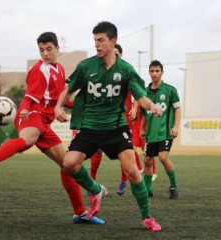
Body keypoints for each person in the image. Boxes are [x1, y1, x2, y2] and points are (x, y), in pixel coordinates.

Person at [0, 32, 104, 224]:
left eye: (49, 49)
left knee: (68, 165)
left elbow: (59, 99)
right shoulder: (38, 70)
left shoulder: (59, 69)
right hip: (33, 115)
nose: (45, 53)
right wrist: (25, 110)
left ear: (57, 49)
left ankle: (80, 213)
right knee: (29, 139)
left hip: (45, 122)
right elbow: (28, 97)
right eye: (41, 50)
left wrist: (83, 107)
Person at [55, 21, 162, 231]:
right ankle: (96, 190)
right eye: (95, 40)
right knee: (68, 164)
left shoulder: (126, 69)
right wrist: (59, 106)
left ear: (113, 42)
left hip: (116, 127)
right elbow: (68, 88)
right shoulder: (86, 66)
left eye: (101, 40)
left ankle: (147, 217)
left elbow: (141, 97)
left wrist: (152, 106)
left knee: (132, 170)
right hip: (89, 126)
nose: (97, 44)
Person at [88, 43, 144, 196]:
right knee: (97, 150)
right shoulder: (101, 72)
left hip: (123, 118)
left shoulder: (126, 71)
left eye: (117, 53)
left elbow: (139, 94)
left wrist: (135, 107)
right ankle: (91, 181)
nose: (115, 55)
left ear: (121, 55)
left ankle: (123, 181)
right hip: (103, 118)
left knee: (125, 152)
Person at [140, 60, 181, 199]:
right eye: (152, 71)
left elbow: (177, 109)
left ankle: (174, 185)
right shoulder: (144, 92)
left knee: (163, 157)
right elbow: (144, 113)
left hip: (165, 132)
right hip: (151, 133)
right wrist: (141, 128)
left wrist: (175, 126)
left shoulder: (170, 90)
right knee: (147, 160)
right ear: (149, 73)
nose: (154, 73)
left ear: (162, 72)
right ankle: (148, 189)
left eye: (157, 71)